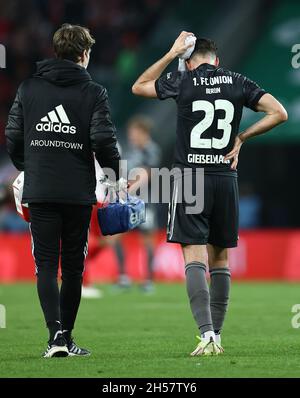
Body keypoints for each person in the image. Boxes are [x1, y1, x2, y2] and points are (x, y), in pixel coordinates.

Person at [131, 31, 288, 355]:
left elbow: (139, 86)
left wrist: (169, 52)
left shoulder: (183, 80)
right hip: (224, 177)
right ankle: (217, 333)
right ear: (216, 60)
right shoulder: (237, 81)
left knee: (194, 257)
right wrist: (242, 137)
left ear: (188, 61)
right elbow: (279, 113)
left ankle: (206, 335)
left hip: (189, 179)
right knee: (220, 258)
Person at [5, 23, 121, 358]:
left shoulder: (28, 89)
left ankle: (54, 337)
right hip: (77, 192)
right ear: (84, 54)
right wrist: (112, 175)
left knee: (44, 265)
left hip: (40, 190)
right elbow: (103, 140)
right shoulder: (94, 92)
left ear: (57, 51)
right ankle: (66, 338)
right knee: (72, 268)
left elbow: (13, 138)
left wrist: (31, 166)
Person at [115, 115, 161, 292]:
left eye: (134, 132)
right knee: (116, 236)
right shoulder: (130, 151)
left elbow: (147, 174)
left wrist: (129, 190)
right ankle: (123, 277)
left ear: (143, 132)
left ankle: (148, 280)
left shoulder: (152, 150)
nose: (131, 136)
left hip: (146, 202)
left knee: (147, 239)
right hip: (128, 201)